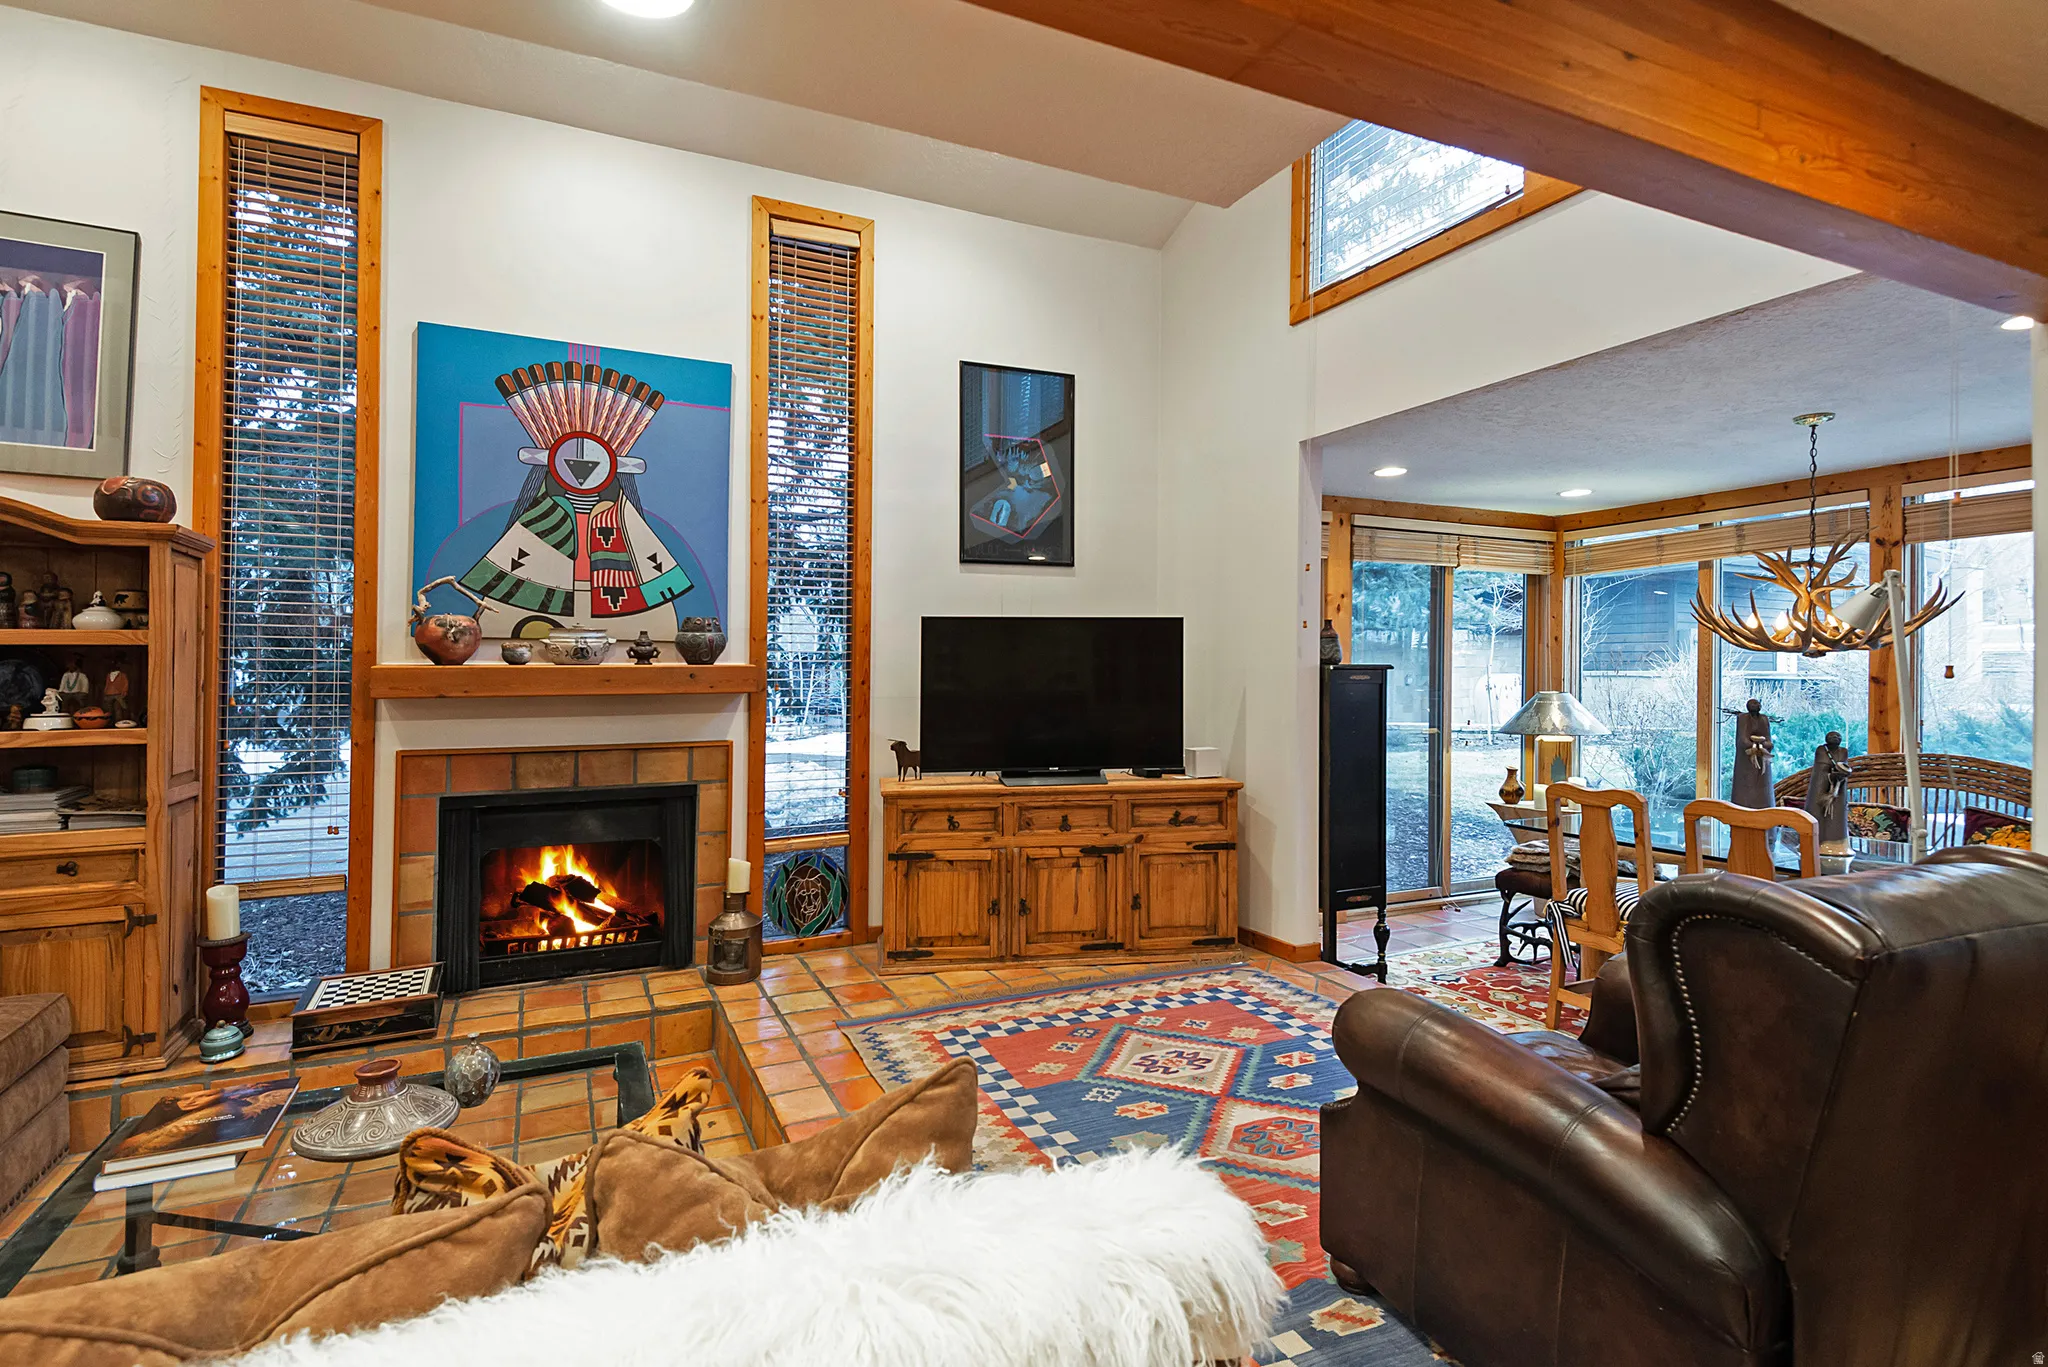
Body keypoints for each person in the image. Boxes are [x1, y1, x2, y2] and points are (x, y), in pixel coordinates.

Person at [1803, 730, 1857, 850]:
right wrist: (1829, 776)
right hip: (1821, 784)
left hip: (1839, 785)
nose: (1836, 737)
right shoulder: (1821, 750)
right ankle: (1816, 841)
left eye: (1838, 736)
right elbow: (1820, 771)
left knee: (1837, 810)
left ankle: (1836, 842)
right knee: (1817, 807)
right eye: (1832, 736)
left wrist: (1840, 774)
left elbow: (1843, 766)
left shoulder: (1843, 751)